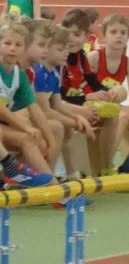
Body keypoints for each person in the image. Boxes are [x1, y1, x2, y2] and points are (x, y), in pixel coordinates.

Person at [88, 14, 129, 174]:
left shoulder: (128, 63)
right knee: (123, 115)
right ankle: (107, 165)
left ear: (128, 37)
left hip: (112, 107)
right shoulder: (95, 57)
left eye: (123, 32)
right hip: (93, 105)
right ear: (105, 36)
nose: (118, 36)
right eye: (113, 32)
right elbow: (84, 88)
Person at [60, 8, 120, 176]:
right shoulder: (60, 58)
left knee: (113, 115)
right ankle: (71, 173)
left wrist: (110, 93)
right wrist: (86, 97)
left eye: (77, 34)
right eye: (68, 33)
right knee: (66, 126)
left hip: (77, 103)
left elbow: (93, 82)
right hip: (63, 107)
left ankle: (107, 168)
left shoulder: (81, 57)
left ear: (87, 37)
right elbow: (58, 97)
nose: (71, 39)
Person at [33, 23, 94, 181]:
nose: (66, 53)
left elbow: (58, 105)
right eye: (61, 49)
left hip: (38, 114)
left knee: (66, 126)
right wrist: (76, 123)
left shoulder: (53, 72)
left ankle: (66, 172)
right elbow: (44, 111)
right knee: (58, 127)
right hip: (29, 116)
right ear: (46, 50)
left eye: (67, 49)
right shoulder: (38, 72)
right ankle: (47, 176)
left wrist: (77, 118)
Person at [0, 19, 55, 181]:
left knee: (35, 138)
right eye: (7, 43)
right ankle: (55, 187)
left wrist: (50, 142)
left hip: (3, 125)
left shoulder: (19, 74)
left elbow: (34, 108)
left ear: (24, 48)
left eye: (18, 45)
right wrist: (26, 127)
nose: (12, 48)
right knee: (26, 136)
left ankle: (47, 183)